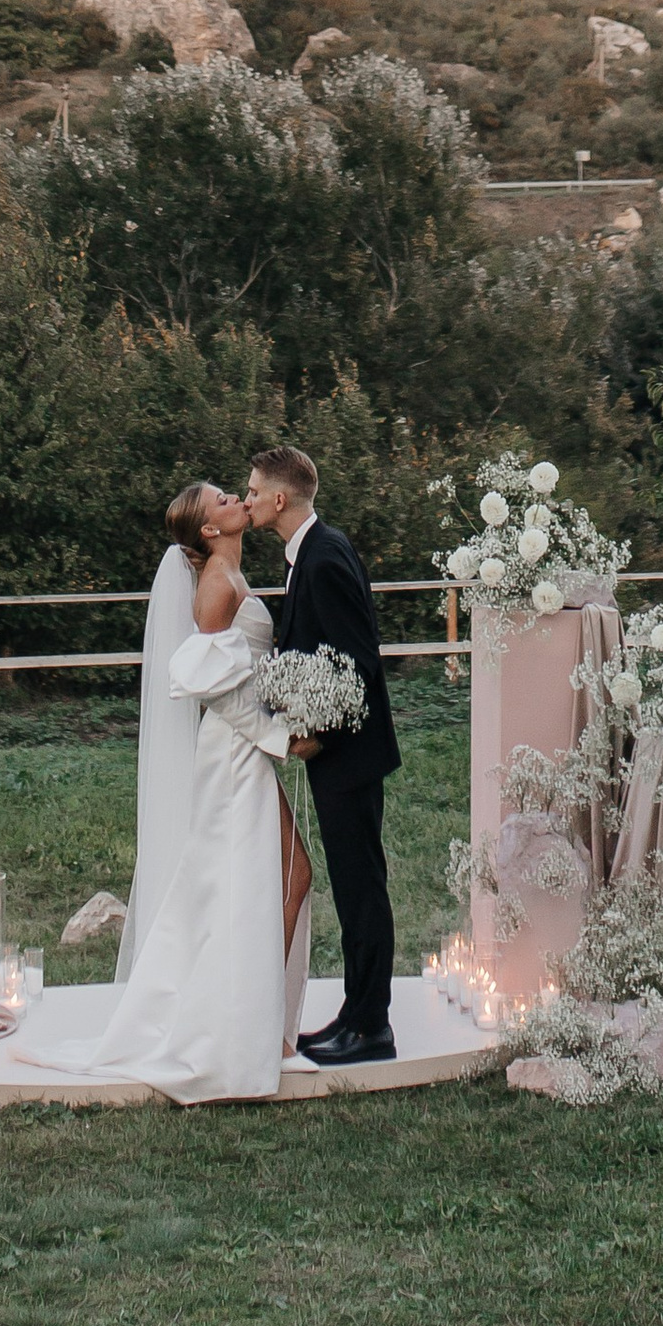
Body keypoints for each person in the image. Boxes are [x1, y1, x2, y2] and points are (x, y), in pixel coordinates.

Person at [0, 482, 311, 1102]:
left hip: (248, 748)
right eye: (222, 499)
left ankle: (258, 1026)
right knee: (259, 881)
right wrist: (282, 735)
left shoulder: (230, 573)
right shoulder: (217, 583)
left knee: (279, 877)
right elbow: (210, 685)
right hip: (235, 753)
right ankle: (241, 1033)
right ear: (209, 530)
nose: (235, 499)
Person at [246, 444, 400, 1067]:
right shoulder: (309, 552)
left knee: (362, 889)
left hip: (351, 754)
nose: (248, 497)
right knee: (353, 888)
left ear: (280, 499)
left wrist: (321, 733)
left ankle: (371, 1028)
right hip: (341, 753)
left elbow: (357, 665)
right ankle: (356, 1015)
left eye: (254, 489)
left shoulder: (325, 555)